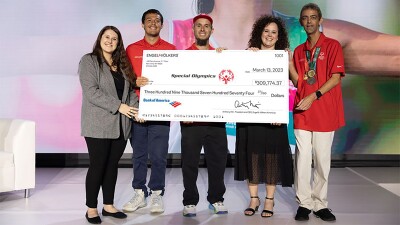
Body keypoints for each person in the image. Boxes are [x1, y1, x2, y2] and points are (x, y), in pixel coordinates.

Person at [289, 3, 345, 222]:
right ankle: (304, 203)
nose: (309, 21)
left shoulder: (333, 45)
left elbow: (335, 77)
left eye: (313, 17)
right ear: (301, 22)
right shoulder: (298, 50)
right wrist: (289, 65)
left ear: (320, 20)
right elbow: (298, 81)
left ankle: (320, 204)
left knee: (322, 160)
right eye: (305, 18)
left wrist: (315, 96)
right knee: (302, 159)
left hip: (324, 110)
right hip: (302, 110)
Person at [234, 15, 294, 218]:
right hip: (250, 116)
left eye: (273, 32)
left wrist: (290, 62)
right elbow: (233, 80)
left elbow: (294, 84)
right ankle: (254, 198)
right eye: (266, 31)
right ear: (260, 33)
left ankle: (269, 199)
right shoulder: (248, 55)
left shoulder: (283, 57)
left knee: (271, 157)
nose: (269, 35)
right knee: (251, 154)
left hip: (273, 118)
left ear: (279, 37)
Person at [78, 25, 139, 224]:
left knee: (112, 166)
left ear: (118, 42)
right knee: (98, 165)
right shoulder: (89, 61)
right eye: (107, 37)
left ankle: (109, 206)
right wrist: (120, 106)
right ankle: (91, 208)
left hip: (121, 126)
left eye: (114, 38)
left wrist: (135, 110)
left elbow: (129, 92)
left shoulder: (122, 65)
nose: (110, 41)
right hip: (98, 124)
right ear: (100, 38)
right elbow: (91, 91)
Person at [122, 9, 176, 214]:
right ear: (142, 24)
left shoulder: (171, 49)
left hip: (161, 109)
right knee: (139, 155)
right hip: (138, 108)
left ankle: (156, 193)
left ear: (162, 25)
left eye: (157, 20)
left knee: (159, 155)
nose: (153, 23)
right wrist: (134, 80)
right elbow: (125, 78)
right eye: (149, 20)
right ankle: (139, 192)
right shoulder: (131, 48)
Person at [180, 14, 229, 217]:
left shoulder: (220, 56)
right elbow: (177, 87)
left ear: (212, 31)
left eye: (206, 26)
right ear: (193, 29)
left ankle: (216, 199)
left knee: (218, 162)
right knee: (189, 162)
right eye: (199, 26)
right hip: (191, 121)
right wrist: (182, 112)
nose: (202, 29)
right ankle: (190, 201)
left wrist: (226, 59)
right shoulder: (183, 56)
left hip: (216, 120)